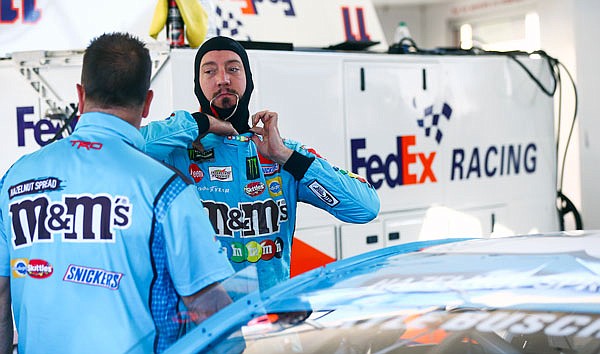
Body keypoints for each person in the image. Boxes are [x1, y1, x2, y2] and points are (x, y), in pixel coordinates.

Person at [0, 32, 234, 354]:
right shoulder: (167, 189)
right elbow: (215, 313)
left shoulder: (15, 178)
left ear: (80, 96)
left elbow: (1, 294)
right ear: (148, 102)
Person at [141, 36, 381, 292]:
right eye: (210, 71)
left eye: (233, 69)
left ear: (249, 79)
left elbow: (365, 208)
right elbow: (121, 143)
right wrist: (200, 123)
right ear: (197, 84)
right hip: (206, 323)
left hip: (269, 321)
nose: (222, 79)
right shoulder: (179, 150)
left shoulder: (282, 154)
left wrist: (285, 157)